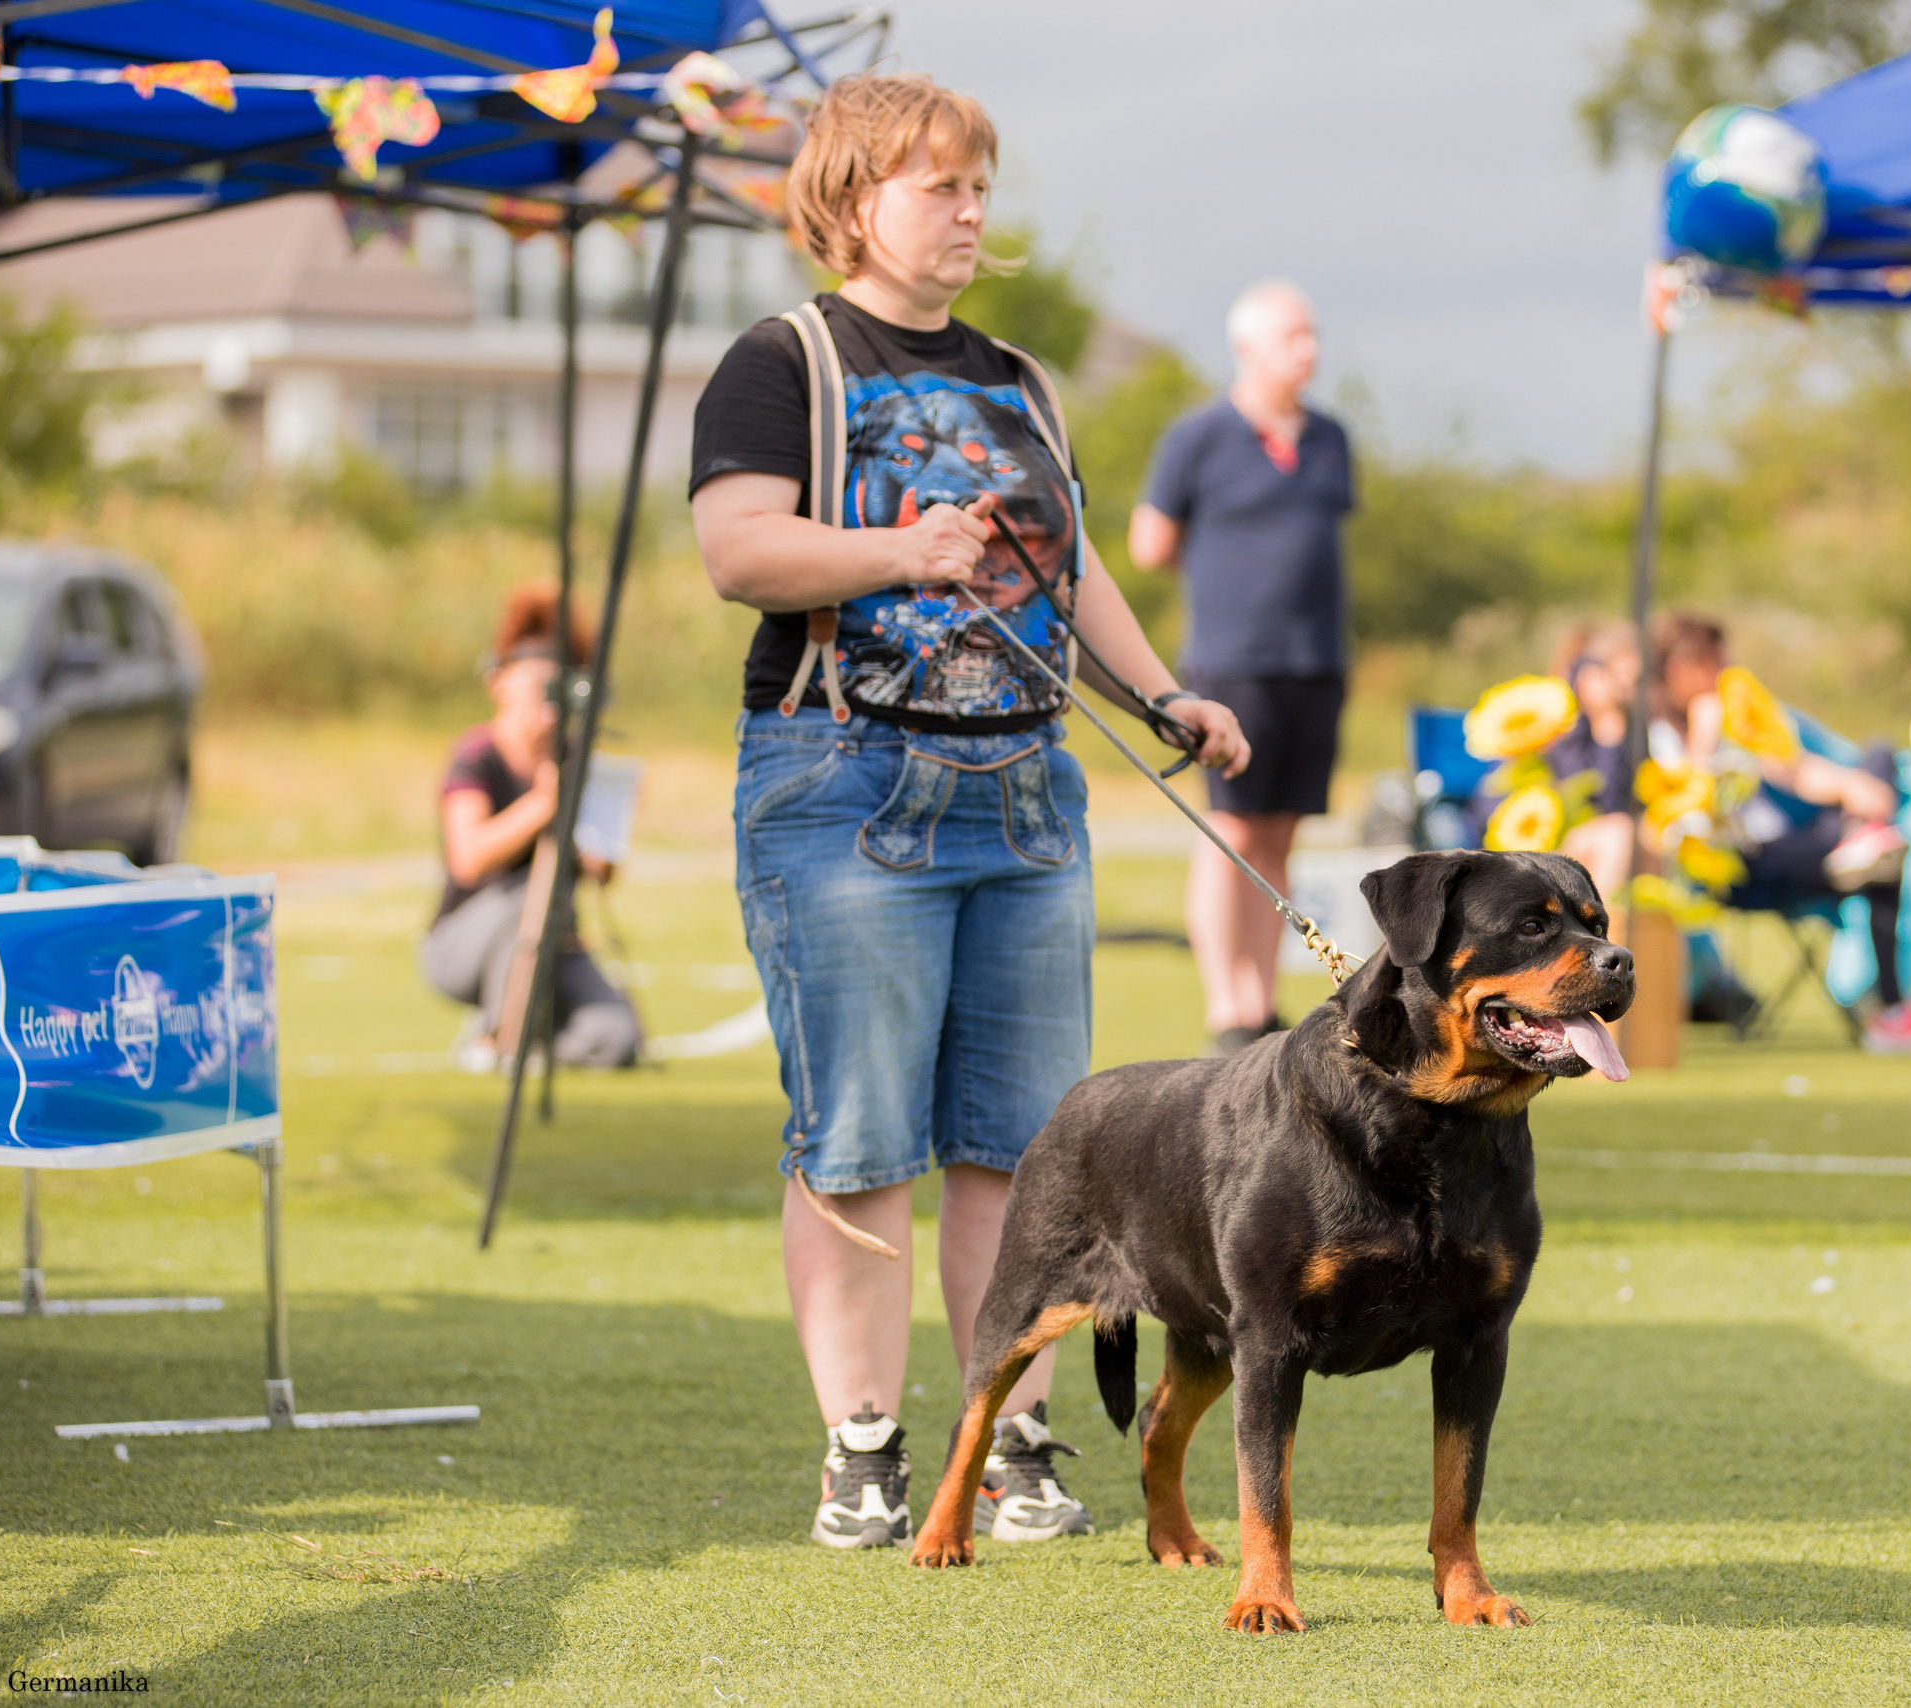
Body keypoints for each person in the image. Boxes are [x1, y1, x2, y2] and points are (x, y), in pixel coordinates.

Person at [689, 74, 1248, 1552]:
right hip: (843, 783)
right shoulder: (781, 360)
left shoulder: (1022, 378)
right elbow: (741, 552)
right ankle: (862, 1448)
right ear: (855, 194)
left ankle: (1008, 1439)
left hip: (1027, 800)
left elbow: (1070, 574)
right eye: (942, 185)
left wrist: (1160, 698)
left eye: (980, 184)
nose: (971, 211)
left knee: (1023, 1152)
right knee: (861, 1142)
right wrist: (898, 549)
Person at [1129, 281, 1356, 1055]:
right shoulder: (1199, 436)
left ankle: (1261, 1001)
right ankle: (1226, 1005)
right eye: (1293, 335)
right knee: (1232, 829)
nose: (1309, 349)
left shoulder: (1330, 437)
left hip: (1315, 662)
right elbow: (1148, 543)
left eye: (1312, 333)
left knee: (1281, 835)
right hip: (1233, 661)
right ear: (1249, 347)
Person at [1649, 611, 1911, 1059]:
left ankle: (1863, 839)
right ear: (1680, 669)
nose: (1726, 675)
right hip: (1740, 865)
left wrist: (1852, 788)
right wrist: (1704, 738)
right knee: (1879, 863)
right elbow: (1684, 817)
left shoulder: (1738, 717)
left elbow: (1794, 770)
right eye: (1716, 665)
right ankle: (1893, 1011)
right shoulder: (1656, 733)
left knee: (1879, 760)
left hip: (1793, 850)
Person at [421, 584, 640, 1071]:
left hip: (556, 940)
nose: (549, 705)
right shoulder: (476, 756)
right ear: (501, 682)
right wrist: (544, 805)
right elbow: (469, 857)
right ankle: (503, 1036)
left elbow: (602, 876)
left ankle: (533, 1038)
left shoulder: (577, 760)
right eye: (539, 686)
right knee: (528, 897)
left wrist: (607, 825)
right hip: (467, 941)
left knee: (617, 1040)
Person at [1545, 619, 1641, 909]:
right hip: (1556, 837)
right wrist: (1606, 722)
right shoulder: (1562, 729)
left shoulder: (1632, 726)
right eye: (1623, 680)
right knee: (1620, 832)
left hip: (1604, 840)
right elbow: (1603, 802)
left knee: (1638, 834)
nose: (1628, 690)